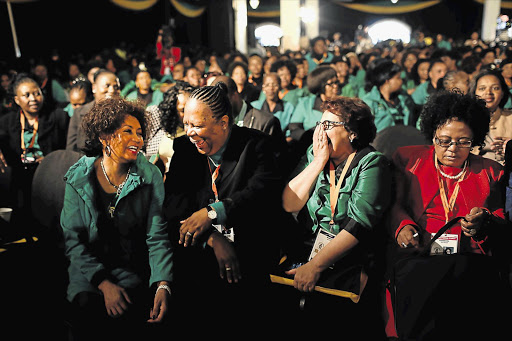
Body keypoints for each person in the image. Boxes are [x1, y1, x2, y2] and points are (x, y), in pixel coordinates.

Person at [162, 82, 288, 334]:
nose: (189, 132)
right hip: (199, 261)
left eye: (196, 125)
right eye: (185, 123)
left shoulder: (257, 146)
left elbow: (261, 193)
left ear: (223, 122)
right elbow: (175, 207)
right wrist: (212, 238)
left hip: (250, 256)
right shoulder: (185, 151)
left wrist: (213, 213)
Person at [387, 90, 510, 339]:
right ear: (433, 136)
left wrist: (484, 219)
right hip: (419, 251)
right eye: (444, 140)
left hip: (468, 255)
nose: (453, 148)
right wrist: (403, 226)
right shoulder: (409, 159)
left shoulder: (490, 171)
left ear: (474, 139)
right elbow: (394, 204)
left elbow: (499, 215)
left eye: (464, 142)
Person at [60, 97, 173, 340]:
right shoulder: (80, 176)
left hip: (131, 267)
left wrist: (162, 283)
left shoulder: (150, 175)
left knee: (137, 315)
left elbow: (157, 236)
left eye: (140, 133)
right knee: (87, 310)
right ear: (105, 136)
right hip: (88, 272)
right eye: (127, 132)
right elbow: (74, 241)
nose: (138, 139)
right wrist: (103, 283)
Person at [281, 96, 391, 339]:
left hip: (351, 256)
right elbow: (290, 203)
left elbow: (359, 225)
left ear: (351, 132)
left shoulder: (371, 163)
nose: (320, 131)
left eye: (328, 125)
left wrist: (315, 266)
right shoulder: (315, 154)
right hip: (310, 249)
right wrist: (318, 162)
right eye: (319, 125)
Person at [0, 74, 69, 220]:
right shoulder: (6, 121)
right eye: (27, 95)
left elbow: (68, 149)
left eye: (37, 93)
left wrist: (50, 160)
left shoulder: (59, 117)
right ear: (17, 100)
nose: (33, 99)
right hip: (20, 174)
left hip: (50, 175)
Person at [145, 80, 196, 174]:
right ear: (173, 109)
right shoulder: (163, 126)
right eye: (183, 110)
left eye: (193, 109)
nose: (189, 114)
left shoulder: (197, 134)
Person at [288, 65, 338, 159]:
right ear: (321, 86)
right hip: (310, 150)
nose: (335, 86)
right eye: (331, 84)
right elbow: (294, 129)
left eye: (336, 82)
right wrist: (314, 135)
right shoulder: (306, 103)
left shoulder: (341, 105)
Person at [66, 69, 120, 153]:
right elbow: (71, 149)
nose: (112, 90)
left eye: (116, 87)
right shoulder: (79, 113)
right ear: (94, 88)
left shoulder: (125, 114)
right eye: (107, 86)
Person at [362, 58, 417, 132]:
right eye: (398, 78)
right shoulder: (369, 102)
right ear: (387, 80)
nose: (401, 81)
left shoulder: (404, 98)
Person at [469, 68, 512, 164]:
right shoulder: (466, 120)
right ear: (474, 92)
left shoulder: (510, 118)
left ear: (502, 93)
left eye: (495, 88)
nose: (488, 92)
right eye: (482, 88)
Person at [250, 72, 295, 139]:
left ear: (280, 87)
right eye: (267, 85)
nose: (271, 88)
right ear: (263, 88)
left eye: (275, 85)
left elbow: (291, 132)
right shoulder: (254, 106)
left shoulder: (289, 107)